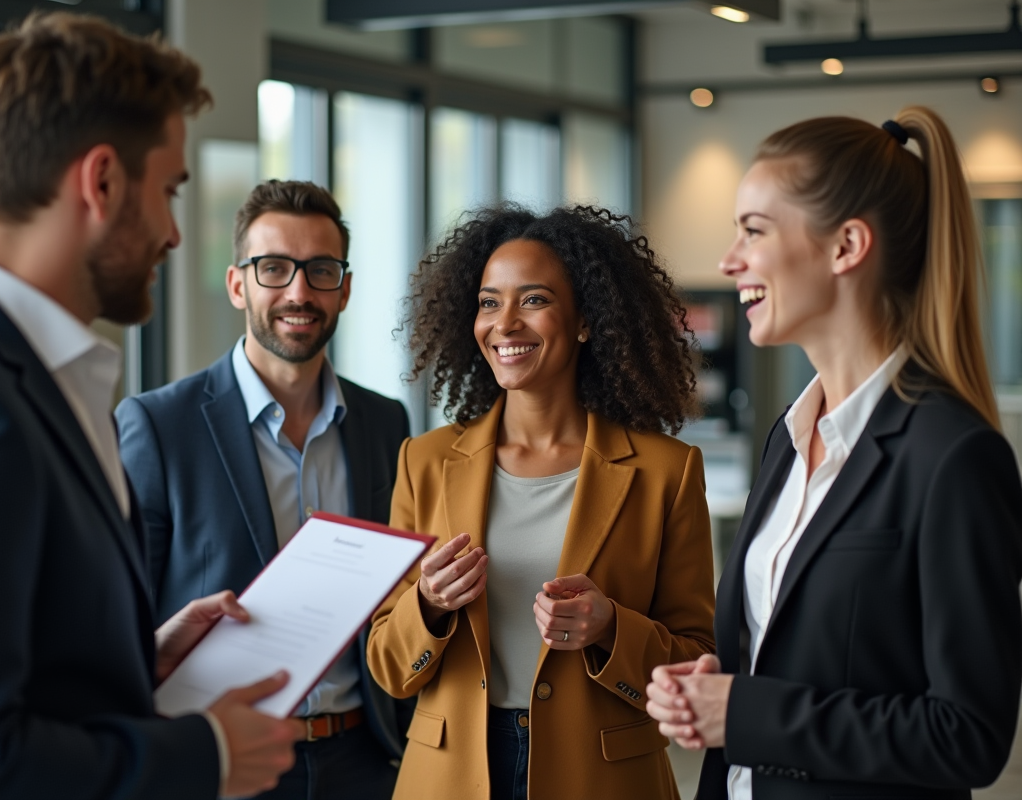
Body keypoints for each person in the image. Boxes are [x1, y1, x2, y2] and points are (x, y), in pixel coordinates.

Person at [0, 14, 300, 800]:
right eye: (169, 190)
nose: (177, 234)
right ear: (102, 181)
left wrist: (134, 659)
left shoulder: (6, 376)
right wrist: (206, 754)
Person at [645, 108, 1022, 799]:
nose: (729, 261)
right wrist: (718, 689)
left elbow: (969, 736)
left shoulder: (954, 457)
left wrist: (747, 712)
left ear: (846, 245)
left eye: (753, 231)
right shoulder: (787, 440)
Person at [365, 204, 718, 800]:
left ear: (584, 321)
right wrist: (426, 605)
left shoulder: (666, 472)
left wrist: (611, 627)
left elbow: (698, 659)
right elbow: (389, 666)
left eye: (533, 300)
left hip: (602, 775)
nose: (505, 323)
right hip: (450, 775)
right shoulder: (422, 463)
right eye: (488, 302)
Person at [117, 179, 412, 800]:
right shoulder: (158, 425)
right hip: (223, 764)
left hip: (363, 758)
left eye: (321, 270)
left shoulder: (386, 424)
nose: (299, 291)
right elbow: (122, 621)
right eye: (274, 268)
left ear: (346, 288)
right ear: (237, 284)